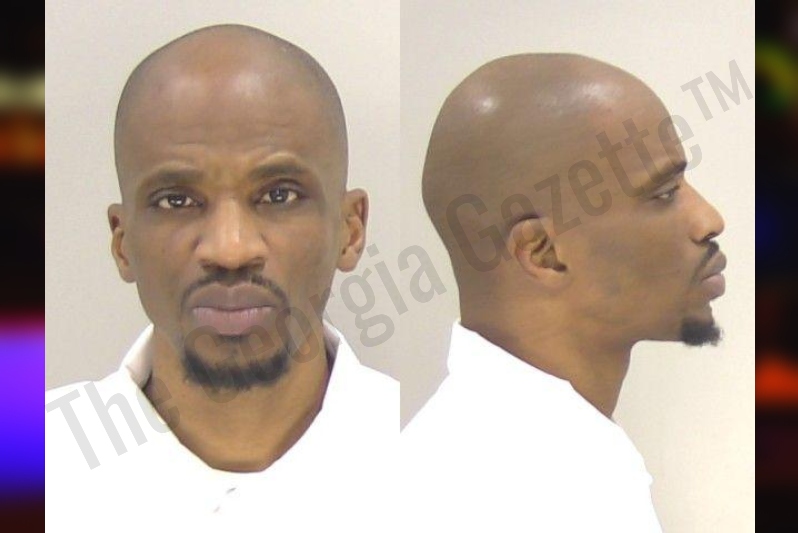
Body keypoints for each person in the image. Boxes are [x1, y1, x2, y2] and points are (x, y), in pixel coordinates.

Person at [45, 25, 397, 531]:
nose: (230, 250)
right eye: (177, 200)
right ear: (123, 243)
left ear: (350, 230)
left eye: (279, 196)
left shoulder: (439, 460)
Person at [402, 54, 726, 531]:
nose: (709, 220)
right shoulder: (510, 496)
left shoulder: (548, 466)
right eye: (663, 194)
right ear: (544, 253)